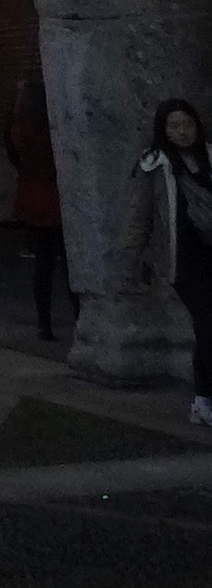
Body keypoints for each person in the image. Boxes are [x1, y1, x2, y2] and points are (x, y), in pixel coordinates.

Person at [113, 98, 212, 433]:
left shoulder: (209, 157)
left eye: (188, 124)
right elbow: (138, 217)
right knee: (208, 324)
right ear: (163, 129)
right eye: (174, 126)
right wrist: (129, 262)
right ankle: (203, 401)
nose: (182, 132)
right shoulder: (153, 165)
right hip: (183, 260)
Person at [6, 75, 73, 345]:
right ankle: (80, 316)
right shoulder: (52, 130)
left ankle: (44, 323)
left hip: (32, 197)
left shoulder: (18, 128)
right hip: (56, 197)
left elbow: (14, 156)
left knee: (43, 265)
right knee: (69, 264)